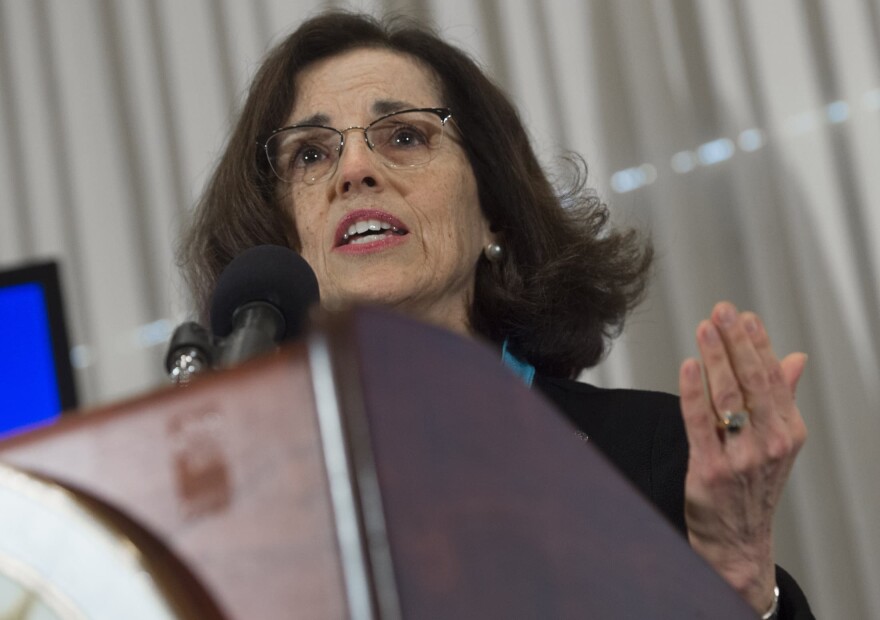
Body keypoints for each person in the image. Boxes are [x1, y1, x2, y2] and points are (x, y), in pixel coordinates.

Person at [178, 11, 813, 618]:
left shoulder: (654, 456)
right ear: (282, 237)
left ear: (495, 213)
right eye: (311, 153)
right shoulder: (240, 501)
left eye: (405, 135)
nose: (355, 169)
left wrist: (740, 586)